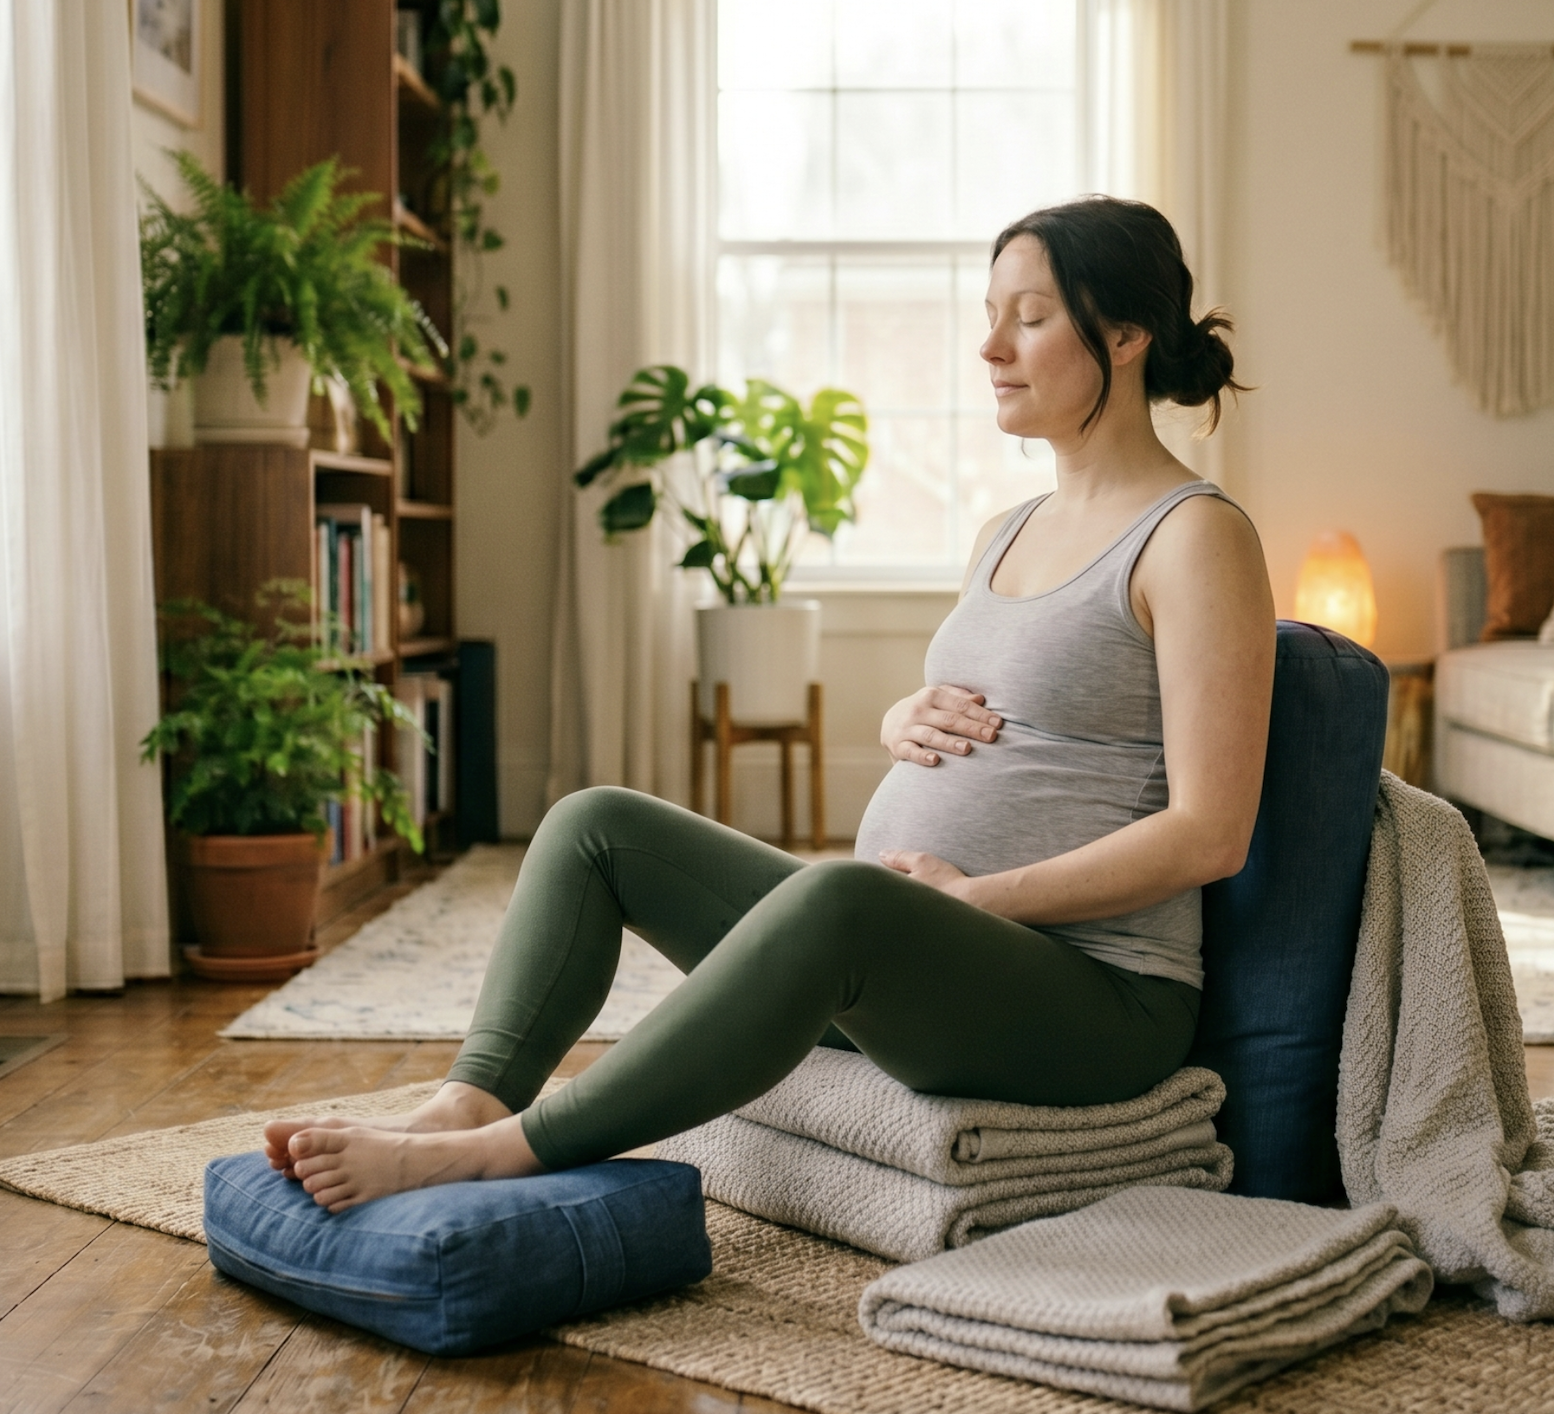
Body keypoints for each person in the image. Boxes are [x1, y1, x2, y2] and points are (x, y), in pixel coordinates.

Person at [264, 196, 1275, 1213]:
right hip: (923, 966)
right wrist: (900, 720)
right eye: (989, 313)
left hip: (1096, 996)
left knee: (841, 896)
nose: (989, 345)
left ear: (1130, 334)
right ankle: (466, 1103)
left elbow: (1208, 834)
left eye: (1030, 316)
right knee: (594, 826)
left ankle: (508, 1154)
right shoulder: (1005, 532)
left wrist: (971, 900)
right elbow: (1018, 709)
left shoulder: (1195, 538)